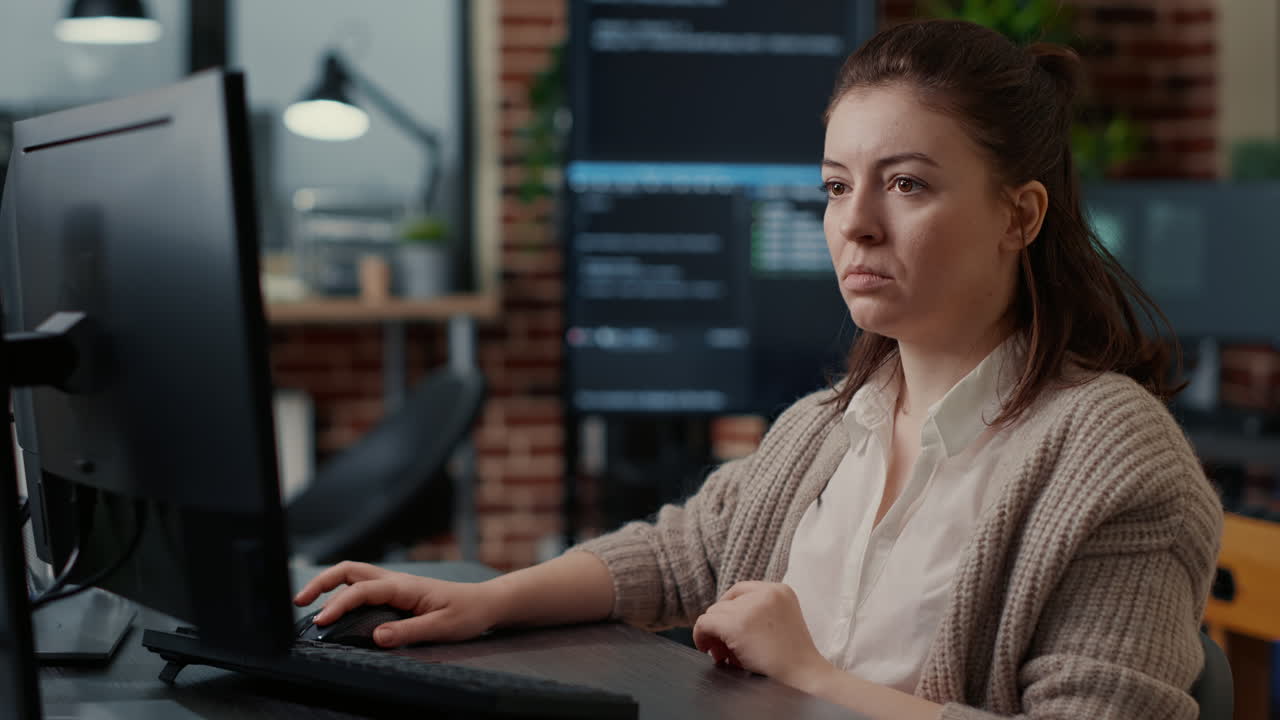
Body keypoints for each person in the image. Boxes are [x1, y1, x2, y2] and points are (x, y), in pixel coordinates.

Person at [294, 20, 1223, 720]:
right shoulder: (831, 423)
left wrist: (810, 676)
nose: (855, 223)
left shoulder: (1114, 458)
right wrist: (483, 599)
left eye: (906, 184)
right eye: (834, 185)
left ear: (1020, 216)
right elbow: (678, 552)